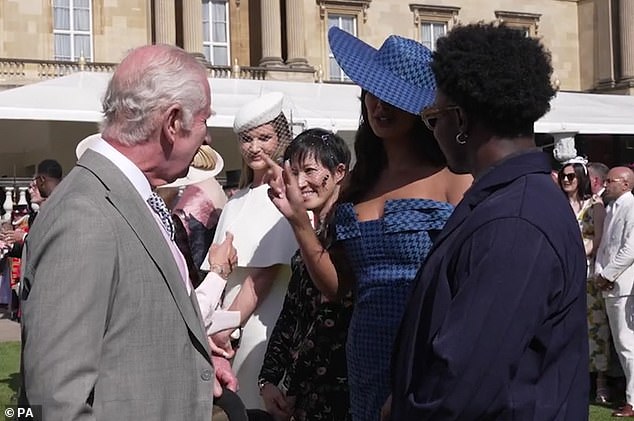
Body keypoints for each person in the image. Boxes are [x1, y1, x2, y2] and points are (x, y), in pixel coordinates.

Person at [19, 44, 237, 421]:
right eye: (205, 120)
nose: (208, 138)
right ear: (172, 122)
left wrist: (192, 368)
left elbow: (133, 325)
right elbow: (56, 402)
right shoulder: (85, 215)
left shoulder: (127, 197)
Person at [390, 23, 588, 420]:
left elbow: (463, 385)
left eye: (434, 117)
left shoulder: (515, 222)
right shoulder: (508, 202)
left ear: (460, 120)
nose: (434, 130)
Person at [326, 27, 472, 421]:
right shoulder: (358, 181)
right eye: (372, 92)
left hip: (429, 348)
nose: (379, 105)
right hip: (365, 350)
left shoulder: (453, 176)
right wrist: (299, 225)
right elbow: (338, 286)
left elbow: (470, 284)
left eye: (393, 97)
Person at [202, 92, 298, 410]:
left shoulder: (286, 194)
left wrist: (224, 329)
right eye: (246, 139)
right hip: (228, 324)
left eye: (263, 137)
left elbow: (263, 276)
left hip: (259, 325)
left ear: (282, 137)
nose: (253, 147)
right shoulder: (238, 198)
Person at [259, 128, 353, 421]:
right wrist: (269, 379)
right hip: (302, 392)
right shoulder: (309, 237)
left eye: (310, 170)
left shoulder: (353, 229)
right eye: (293, 172)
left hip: (343, 392)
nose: (300, 183)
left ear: (339, 172)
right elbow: (292, 312)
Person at [559, 159, 610, 403]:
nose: (567, 180)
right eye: (564, 176)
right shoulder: (557, 204)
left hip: (587, 269)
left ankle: (601, 383)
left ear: (581, 177)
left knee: (595, 325)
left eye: (571, 176)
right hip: (562, 270)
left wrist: (577, 252)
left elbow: (598, 238)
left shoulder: (595, 205)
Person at [594, 166, 634, 417]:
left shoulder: (630, 206)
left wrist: (608, 275)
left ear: (626, 184)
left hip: (624, 285)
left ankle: (633, 400)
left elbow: (630, 249)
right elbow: (605, 246)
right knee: (621, 345)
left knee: (627, 344)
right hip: (610, 285)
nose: (606, 184)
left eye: (611, 181)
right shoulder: (611, 208)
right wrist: (599, 274)